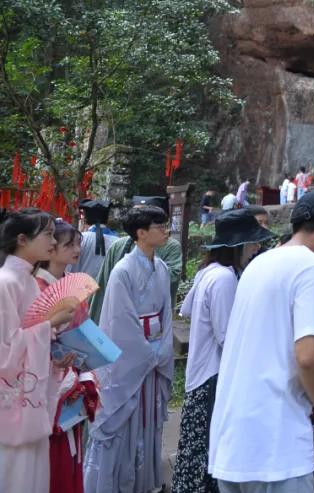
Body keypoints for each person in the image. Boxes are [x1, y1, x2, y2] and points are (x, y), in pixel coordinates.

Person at [208, 190, 314, 493]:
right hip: (276, 448)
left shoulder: (260, 264)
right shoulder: (312, 267)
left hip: (232, 444)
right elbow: (307, 357)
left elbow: (266, 337)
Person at [173, 210, 274, 493]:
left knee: (199, 449)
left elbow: (187, 309)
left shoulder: (210, 272)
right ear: (236, 246)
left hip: (202, 373)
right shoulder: (224, 279)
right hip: (213, 376)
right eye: (252, 243)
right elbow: (228, 337)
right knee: (210, 450)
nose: (256, 247)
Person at [84, 205, 174, 493]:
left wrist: (161, 348)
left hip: (155, 349)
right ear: (141, 233)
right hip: (135, 355)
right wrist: (149, 353)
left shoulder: (161, 267)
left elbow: (167, 315)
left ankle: (142, 481)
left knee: (148, 419)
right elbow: (119, 320)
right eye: (160, 226)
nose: (166, 231)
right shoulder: (122, 270)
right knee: (124, 415)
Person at [0, 209, 77, 493]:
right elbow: (4, 351)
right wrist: (49, 325)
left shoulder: (29, 282)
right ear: (22, 239)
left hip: (30, 395)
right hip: (11, 404)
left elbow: (26, 340)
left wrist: (55, 363)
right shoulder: (5, 282)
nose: (54, 242)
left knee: (33, 477)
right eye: (47, 234)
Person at [36, 218, 99, 493]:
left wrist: (86, 370)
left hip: (74, 373)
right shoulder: (34, 287)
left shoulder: (72, 285)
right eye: (68, 244)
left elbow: (85, 333)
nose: (76, 249)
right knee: (52, 456)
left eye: (77, 243)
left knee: (72, 452)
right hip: (48, 380)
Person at [87, 199, 182, 321]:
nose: (166, 231)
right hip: (121, 315)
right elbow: (103, 283)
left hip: (152, 317)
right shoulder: (118, 247)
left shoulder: (170, 248)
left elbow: (172, 277)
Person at [71, 199, 116, 279]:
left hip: (80, 287)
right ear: (107, 219)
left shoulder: (80, 238)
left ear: (85, 219)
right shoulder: (118, 241)